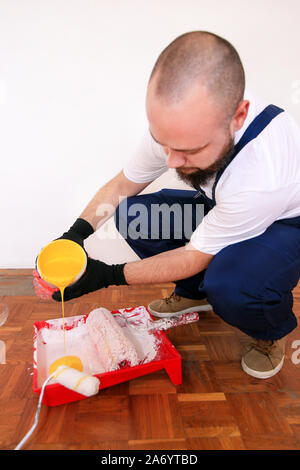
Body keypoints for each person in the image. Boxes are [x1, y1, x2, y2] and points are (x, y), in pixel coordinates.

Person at [45, 31, 300, 379]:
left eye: (190, 150)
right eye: (164, 143)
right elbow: (122, 185)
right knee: (133, 215)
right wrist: (74, 234)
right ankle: (193, 293)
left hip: (285, 224)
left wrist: (106, 275)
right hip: (227, 206)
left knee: (233, 284)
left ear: (238, 116)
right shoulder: (180, 123)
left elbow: (193, 255)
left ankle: (270, 331)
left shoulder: (262, 174)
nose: (172, 162)